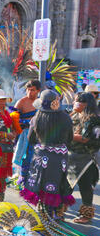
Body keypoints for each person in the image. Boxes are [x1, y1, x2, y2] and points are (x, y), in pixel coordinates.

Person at [19, 90, 75, 219]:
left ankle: (45, 214)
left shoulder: (36, 118)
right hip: (61, 157)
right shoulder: (66, 118)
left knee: (42, 183)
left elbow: (31, 139)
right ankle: (56, 212)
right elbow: (69, 139)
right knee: (58, 183)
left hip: (42, 156)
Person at [68, 92, 100, 223]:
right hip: (73, 156)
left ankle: (86, 215)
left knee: (85, 186)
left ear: (85, 104)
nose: (74, 103)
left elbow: (85, 138)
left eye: (77, 101)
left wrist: (68, 135)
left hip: (86, 158)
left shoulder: (92, 118)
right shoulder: (74, 114)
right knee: (66, 185)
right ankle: (59, 209)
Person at [12, 80, 41, 181]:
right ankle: (22, 178)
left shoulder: (41, 102)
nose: (29, 92)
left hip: (38, 135)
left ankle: (34, 179)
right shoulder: (21, 102)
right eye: (28, 90)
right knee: (24, 156)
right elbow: (13, 120)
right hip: (24, 135)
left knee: (37, 157)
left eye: (32, 90)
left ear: (38, 90)